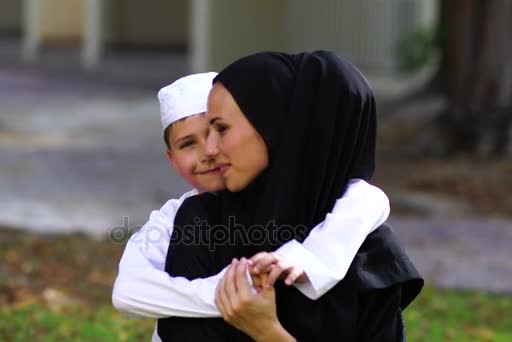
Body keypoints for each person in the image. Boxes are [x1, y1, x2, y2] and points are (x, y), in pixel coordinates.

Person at [156, 51, 423, 341]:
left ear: (274, 125)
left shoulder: (368, 251)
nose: (209, 149)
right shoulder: (203, 223)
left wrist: (267, 332)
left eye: (221, 128)